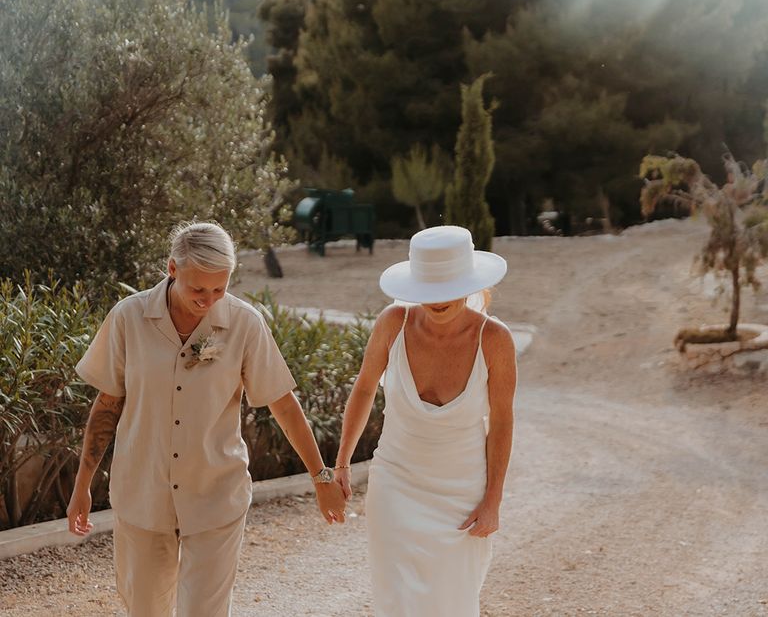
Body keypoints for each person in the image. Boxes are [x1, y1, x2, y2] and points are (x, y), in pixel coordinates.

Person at [67, 221, 346, 617]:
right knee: (145, 609)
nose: (208, 300)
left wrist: (321, 478)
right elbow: (107, 406)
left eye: (220, 289)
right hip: (141, 494)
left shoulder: (245, 323)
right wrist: (82, 486)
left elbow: (282, 404)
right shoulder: (128, 318)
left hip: (217, 495)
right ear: (172, 269)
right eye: (198, 289)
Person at [334, 225, 517, 617]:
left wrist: (493, 501)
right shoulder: (392, 323)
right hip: (396, 484)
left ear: (469, 283)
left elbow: (501, 422)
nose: (439, 300)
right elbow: (365, 388)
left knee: (453, 601)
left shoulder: (495, 339)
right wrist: (343, 460)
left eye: (449, 287)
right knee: (397, 599)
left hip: (462, 493)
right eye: (430, 288)